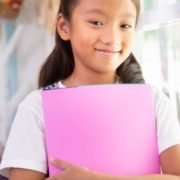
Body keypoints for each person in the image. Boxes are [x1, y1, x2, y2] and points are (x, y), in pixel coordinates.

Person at [0, 0, 180, 179]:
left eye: (125, 25)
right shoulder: (37, 107)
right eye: (96, 23)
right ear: (64, 27)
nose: (112, 38)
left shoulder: (154, 101)